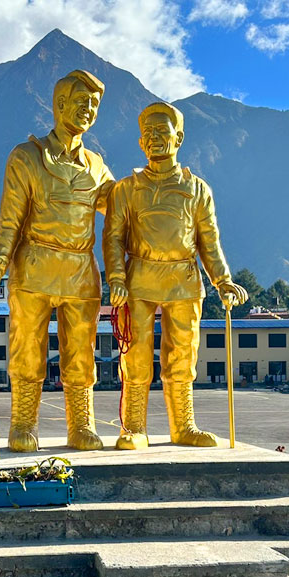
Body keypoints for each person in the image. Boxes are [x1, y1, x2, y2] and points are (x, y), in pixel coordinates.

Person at [0, 70, 115, 452]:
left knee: (81, 353)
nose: (88, 110)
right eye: (82, 102)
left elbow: (123, 212)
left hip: (81, 273)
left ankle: (81, 426)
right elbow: (9, 220)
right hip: (34, 266)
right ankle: (22, 424)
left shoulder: (98, 167)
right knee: (27, 348)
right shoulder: (26, 157)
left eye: (94, 105)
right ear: (60, 104)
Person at [103, 101, 247, 449]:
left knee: (181, 357)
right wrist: (117, 279)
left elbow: (208, 241)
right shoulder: (126, 188)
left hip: (184, 280)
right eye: (147, 134)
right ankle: (134, 428)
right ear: (140, 143)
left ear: (178, 137)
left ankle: (183, 427)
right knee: (134, 357)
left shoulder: (198, 189)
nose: (154, 139)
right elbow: (113, 237)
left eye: (161, 132)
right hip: (138, 280)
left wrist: (222, 279)